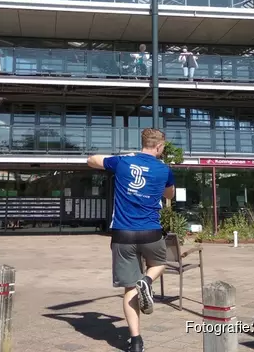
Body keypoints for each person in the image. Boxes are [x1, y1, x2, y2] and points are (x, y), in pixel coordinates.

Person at [87, 129, 175, 352]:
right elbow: (169, 195)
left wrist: (123, 157)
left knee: (129, 288)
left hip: (123, 233)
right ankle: (147, 280)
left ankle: (136, 341)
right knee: (159, 264)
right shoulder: (164, 169)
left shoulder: (123, 162)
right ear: (158, 147)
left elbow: (91, 160)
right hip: (150, 232)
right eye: (163, 147)